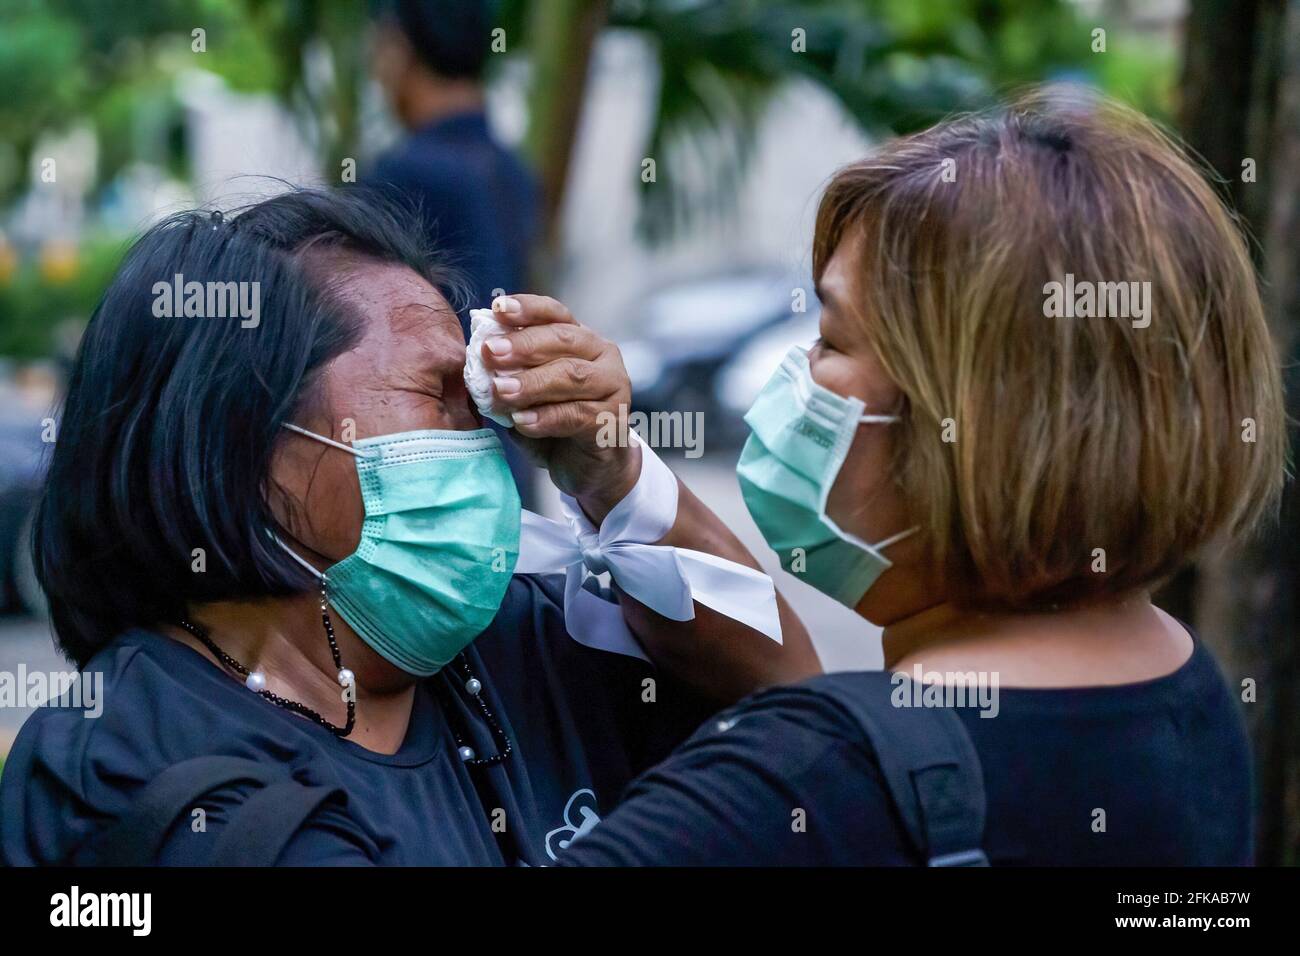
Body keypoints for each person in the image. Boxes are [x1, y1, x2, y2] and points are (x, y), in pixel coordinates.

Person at [557, 88, 1286, 866]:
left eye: (831, 340)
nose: (796, 372)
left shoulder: (790, 790)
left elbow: (838, 772)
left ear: (969, 422)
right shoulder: (1186, 689)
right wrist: (618, 479)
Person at [0, 188, 817, 866]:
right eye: (441, 397)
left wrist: (616, 476)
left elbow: (795, 717)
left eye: (482, 404)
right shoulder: (123, 769)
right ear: (253, 444)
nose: (488, 437)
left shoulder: (515, 638)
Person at [367, 0, 539, 504]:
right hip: (511, 470)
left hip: (436, 475)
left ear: (401, 49)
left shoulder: (404, 175)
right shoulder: (511, 171)